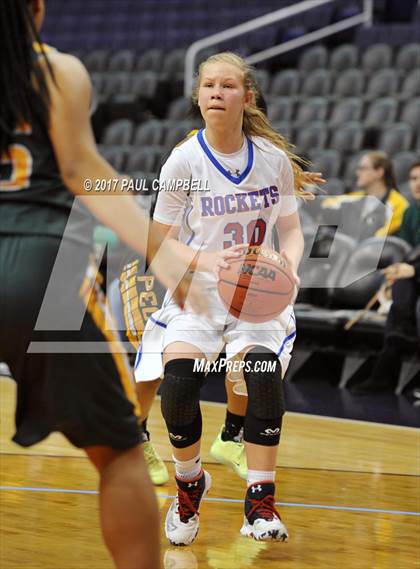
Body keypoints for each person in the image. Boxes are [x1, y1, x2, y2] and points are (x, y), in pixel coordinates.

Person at [0, 2, 203, 568]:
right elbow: (81, 171)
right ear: (36, 11)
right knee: (119, 455)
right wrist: (159, 251)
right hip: (43, 270)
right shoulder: (57, 71)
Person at [135, 51, 308, 545]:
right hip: (200, 292)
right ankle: (190, 485)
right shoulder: (184, 160)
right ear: (198, 96)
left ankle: (260, 502)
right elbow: (158, 240)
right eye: (208, 85)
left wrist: (288, 265)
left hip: (258, 295)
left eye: (228, 86)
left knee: (262, 376)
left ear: (246, 97)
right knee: (181, 386)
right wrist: (215, 263)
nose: (216, 92)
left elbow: (293, 232)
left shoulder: (273, 161)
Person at [351, 159, 420, 394]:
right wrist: (397, 271)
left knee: (404, 291)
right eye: (413, 178)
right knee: (400, 283)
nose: (417, 184)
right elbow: (407, 251)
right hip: (412, 279)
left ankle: (385, 369)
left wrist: (412, 270)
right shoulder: (411, 212)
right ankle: (388, 362)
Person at [321, 151, 409, 241]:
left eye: (363, 169)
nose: (357, 173)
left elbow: (378, 237)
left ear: (379, 172)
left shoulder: (399, 204)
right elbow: (326, 204)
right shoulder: (355, 197)